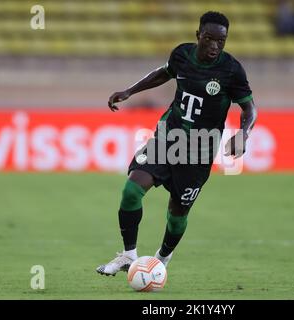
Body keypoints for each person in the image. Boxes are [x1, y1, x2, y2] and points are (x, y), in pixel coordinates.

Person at [96, 11, 257, 276]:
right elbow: (164, 73)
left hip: (199, 152)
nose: (215, 46)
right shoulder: (182, 54)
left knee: (178, 213)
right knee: (132, 190)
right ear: (198, 36)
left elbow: (249, 108)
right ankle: (128, 255)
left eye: (221, 40)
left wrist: (244, 133)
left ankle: (162, 259)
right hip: (168, 139)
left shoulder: (231, 70)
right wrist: (130, 91)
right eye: (209, 39)